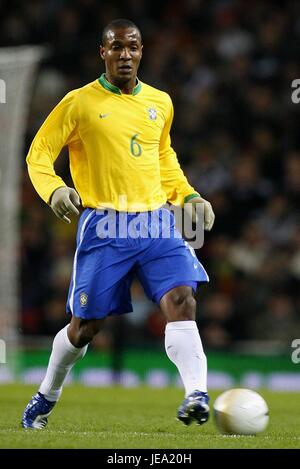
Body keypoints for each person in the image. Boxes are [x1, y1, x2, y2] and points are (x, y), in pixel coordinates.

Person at [21, 18, 215, 429]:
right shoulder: (78, 103)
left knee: (182, 299)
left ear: (142, 52)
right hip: (104, 227)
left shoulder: (160, 102)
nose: (125, 54)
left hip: (156, 223)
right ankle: (46, 394)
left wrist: (188, 195)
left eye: (133, 47)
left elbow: (163, 159)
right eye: (117, 47)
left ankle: (196, 394)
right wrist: (54, 190)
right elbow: (38, 154)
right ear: (103, 53)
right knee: (85, 328)